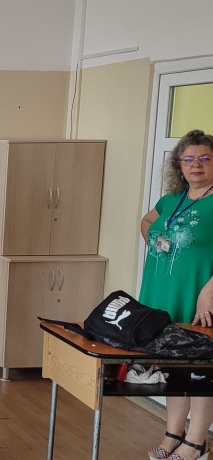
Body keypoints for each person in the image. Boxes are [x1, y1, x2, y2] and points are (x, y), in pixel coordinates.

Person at [141, 130, 213, 460]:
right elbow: (147, 222)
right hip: (163, 293)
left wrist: (209, 290)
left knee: (201, 368)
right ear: (179, 165)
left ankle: (196, 442)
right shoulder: (172, 199)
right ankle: (173, 434)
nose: (196, 164)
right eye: (189, 159)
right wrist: (157, 244)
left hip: (199, 297)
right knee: (175, 366)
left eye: (205, 158)